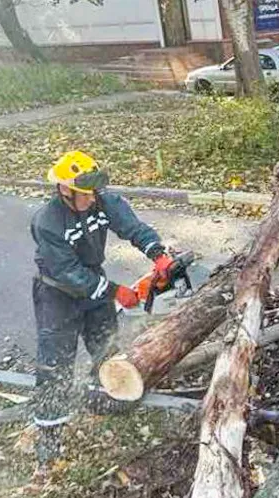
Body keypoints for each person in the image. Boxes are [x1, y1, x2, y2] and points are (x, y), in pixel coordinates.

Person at [30, 150, 173, 466]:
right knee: (55, 363)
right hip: (57, 294)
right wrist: (114, 292)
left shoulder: (101, 200)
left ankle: (105, 400)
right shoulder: (47, 222)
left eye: (95, 191)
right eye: (86, 193)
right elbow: (67, 271)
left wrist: (159, 255)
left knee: (107, 347)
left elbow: (131, 226)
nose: (93, 198)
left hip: (93, 284)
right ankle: (49, 435)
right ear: (65, 191)